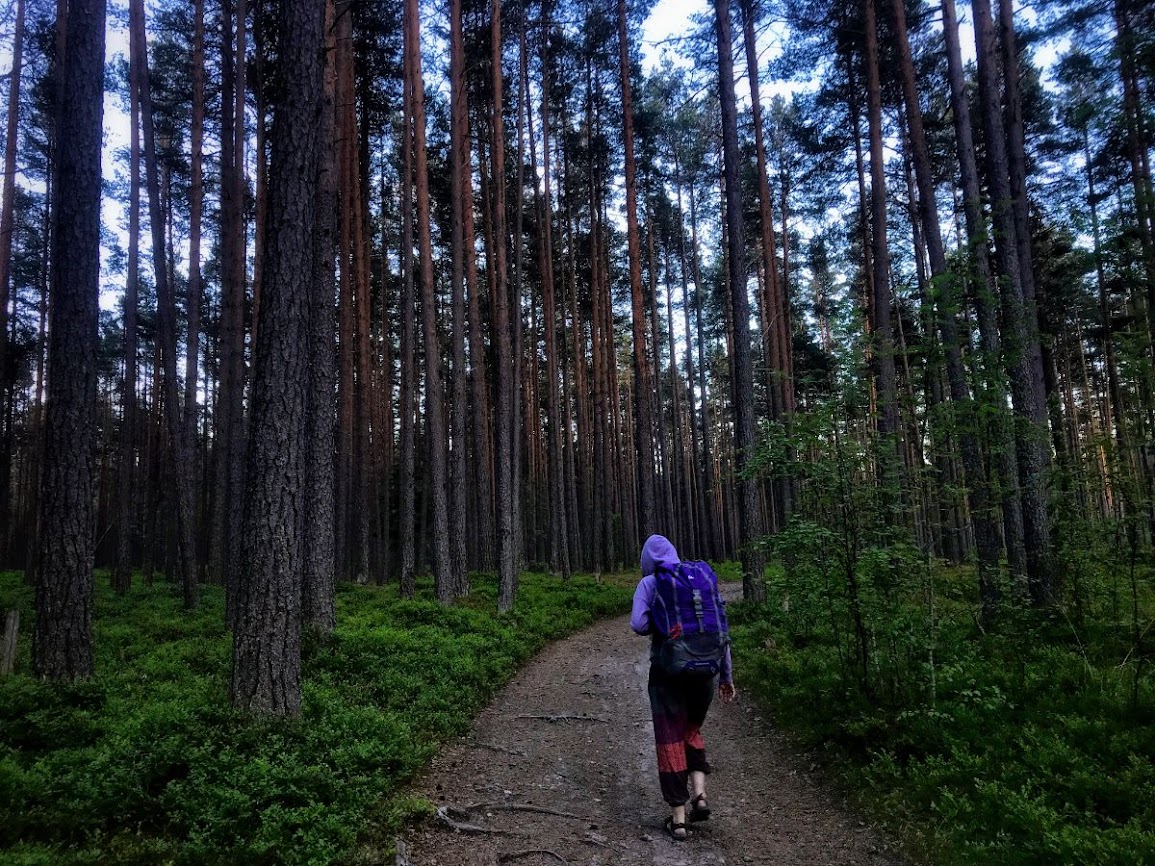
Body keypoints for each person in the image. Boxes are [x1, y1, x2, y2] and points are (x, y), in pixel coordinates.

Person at [631, 533, 735, 842]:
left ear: (646, 560)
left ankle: (678, 819)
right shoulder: (699, 580)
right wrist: (726, 676)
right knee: (691, 730)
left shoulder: (650, 583)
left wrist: (660, 625)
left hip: (668, 674)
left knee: (669, 739)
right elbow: (720, 630)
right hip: (705, 674)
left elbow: (638, 624)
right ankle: (700, 795)